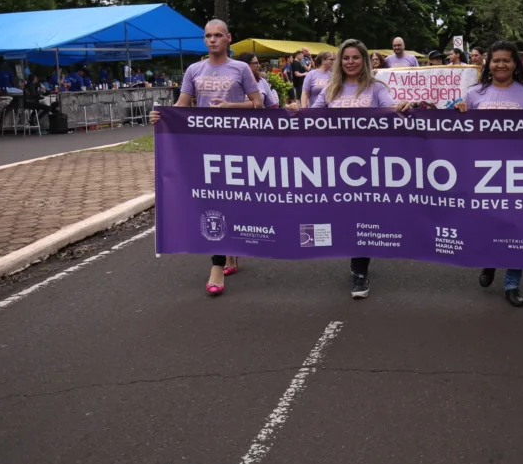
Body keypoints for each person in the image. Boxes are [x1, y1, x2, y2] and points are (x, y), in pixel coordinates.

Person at [287, 39, 411, 300]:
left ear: (364, 60)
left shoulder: (376, 88)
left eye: (356, 57)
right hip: (335, 164)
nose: (351, 62)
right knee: (343, 213)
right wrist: (296, 111)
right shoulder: (331, 89)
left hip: (368, 164)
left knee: (362, 212)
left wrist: (401, 109)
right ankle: (356, 257)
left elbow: (391, 111)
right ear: (339, 62)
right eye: (346, 58)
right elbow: (312, 116)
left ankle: (360, 270)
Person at [149, 19, 263, 296]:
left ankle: (229, 251)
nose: (212, 40)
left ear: (228, 38)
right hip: (203, 147)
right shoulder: (194, 69)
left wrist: (230, 107)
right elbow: (182, 105)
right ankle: (217, 264)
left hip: (237, 146)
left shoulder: (240, 68)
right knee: (213, 201)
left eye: (217, 36)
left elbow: (258, 103)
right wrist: (162, 116)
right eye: (208, 36)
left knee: (233, 200)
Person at [455, 40, 523, 308]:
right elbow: (457, 132)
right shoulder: (474, 94)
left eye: (507, 60)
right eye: (496, 60)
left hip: (518, 171)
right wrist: (458, 114)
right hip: (482, 173)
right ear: (488, 64)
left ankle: (512, 284)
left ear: (515, 64)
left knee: (518, 226)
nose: (501, 64)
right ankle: (490, 261)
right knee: (488, 223)